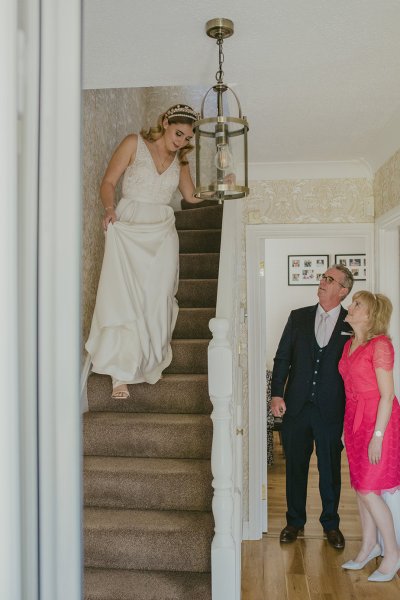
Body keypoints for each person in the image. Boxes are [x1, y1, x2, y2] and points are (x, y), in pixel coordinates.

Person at [85, 104, 202, 398]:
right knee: (123, 296)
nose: (181, 142)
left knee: (156, 297)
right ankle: (119, 374)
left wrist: (218, 189)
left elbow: (190, 196)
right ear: (164, 122)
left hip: (162, 231)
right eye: (178, 134)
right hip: (130, 224)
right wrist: (110, 209)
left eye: (187, 138)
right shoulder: (133, 143)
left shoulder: (182, 162)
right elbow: (109, 182)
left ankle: (147, 359)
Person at [271, 264, 354, 549]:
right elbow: (282, 358)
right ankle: (294, 522)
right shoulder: (298, 318)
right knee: (295, 466)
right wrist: (276, 395)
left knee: (330, 470)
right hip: (296, 407)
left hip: (331, 410)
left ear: (343, 291)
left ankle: (331, 524)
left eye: (330, 279)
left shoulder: (351, 323)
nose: (322, 281)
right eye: (323, 277)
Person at [339, 291, 400, 582]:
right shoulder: (350, 344)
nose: (350, 307)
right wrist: (345, 427)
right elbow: (350, 392)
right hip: (354, 421)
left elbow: (387, 396)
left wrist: (377, 434)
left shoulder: (381, 346)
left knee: (369, 490)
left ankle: (392, 555)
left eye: (357, 304)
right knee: (359, 488)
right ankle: (368, 546)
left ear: (370, 315)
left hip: (380, 422)